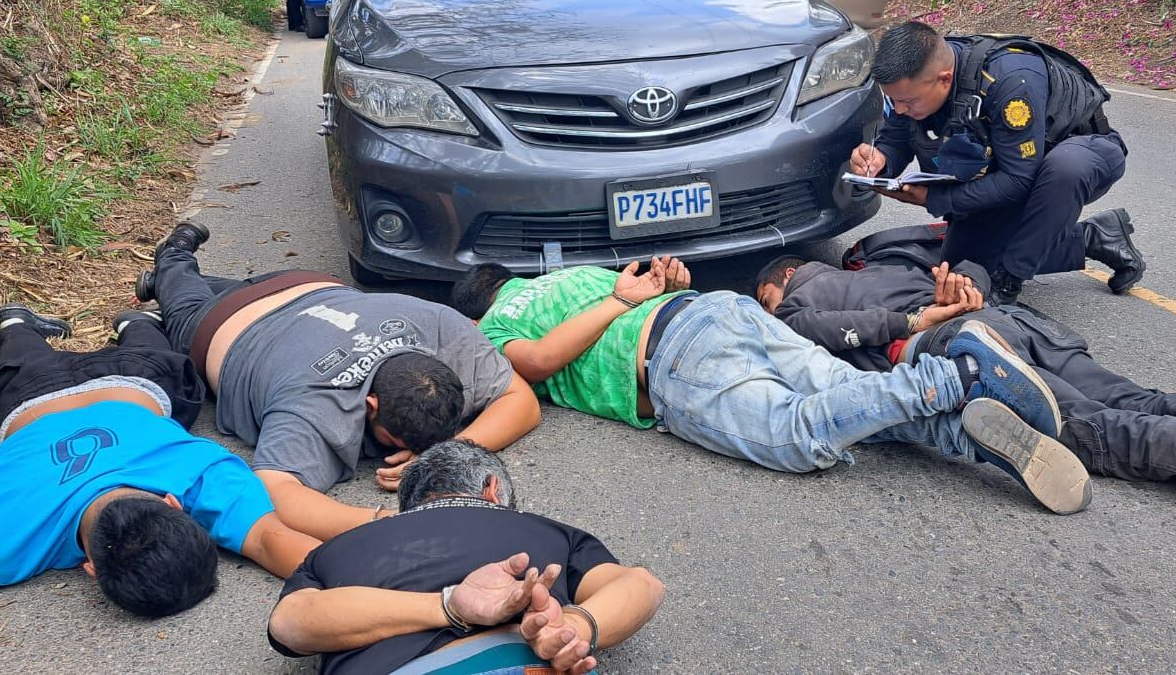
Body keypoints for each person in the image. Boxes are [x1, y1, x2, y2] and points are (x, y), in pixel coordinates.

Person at [754, 249, 1176, 564]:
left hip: (965, 346)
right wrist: (964, 285)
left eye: (767, 302)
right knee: (1147, 401)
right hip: (1018, 324)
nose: (770, 314)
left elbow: (828, 335)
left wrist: (919, 314)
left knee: (1122, 437)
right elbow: (979, 265)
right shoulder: (883, 256)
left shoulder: (800, 305)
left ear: (779, 285)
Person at [452, 257, 1094, 514]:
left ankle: (957, 375)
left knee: (799, 432)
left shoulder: (500, 316)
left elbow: (532, 364)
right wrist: (636, 296)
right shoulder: (576, 274)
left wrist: (619, 304)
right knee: (855, 400)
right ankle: (975, 436)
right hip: (720, 311)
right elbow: (643, 298)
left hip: (676, 360)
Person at [0, 305, 328, 617]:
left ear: (172, 505)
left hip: (128, 381)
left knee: (157, 357)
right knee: (22, 364)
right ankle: (18, 326)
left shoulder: (202, 472)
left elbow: (269, 539)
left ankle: (135, 321)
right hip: (28, 400)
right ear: (92, 569)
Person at [135, 222, 540, 540]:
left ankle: (187, 286)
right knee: (183, 303)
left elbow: (520, 400)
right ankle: (172, 256)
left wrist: (448, 449)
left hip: (301, 284)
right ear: (370, 405)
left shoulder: (444, 328)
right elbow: (275, 489)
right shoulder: (316, 405)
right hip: (221, 325)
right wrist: (387, 524)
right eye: (393, 441)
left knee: (225, 293)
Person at [268, 440, 664, 675]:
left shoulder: (338, 548)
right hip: (521, 662)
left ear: (406, 508)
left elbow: (289, 624)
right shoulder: (550, 531)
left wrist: (446, 606)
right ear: (493, 490)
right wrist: (572, 631)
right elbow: (642, 585)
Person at [847, 20, 1145, 305]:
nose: (899, 109)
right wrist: (880, 160)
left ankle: (1009, 281)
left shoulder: (1009, 80)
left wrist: (935, 198)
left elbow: (1018, 180)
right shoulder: (914, 85)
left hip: (1082, 152)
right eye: (894, 101)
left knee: (1064, 169)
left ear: (945, 79)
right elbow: (896, 139)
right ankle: (1095, 238)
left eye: (908, 102)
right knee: (961, 267)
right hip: (1005, 170)